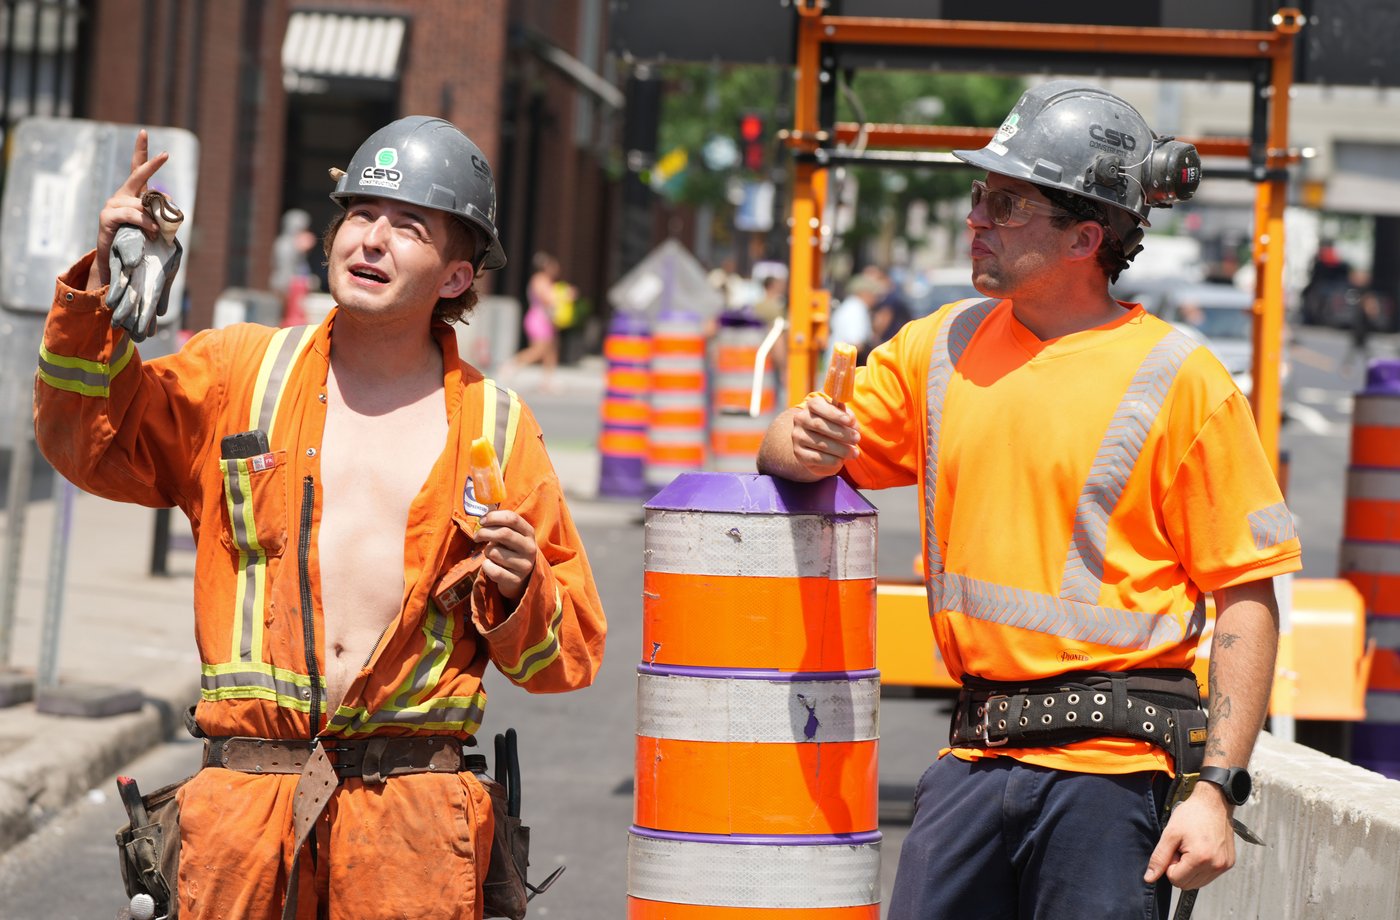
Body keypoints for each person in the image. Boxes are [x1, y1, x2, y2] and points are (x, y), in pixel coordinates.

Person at [34, 118, 607, 919]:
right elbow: (89, 443)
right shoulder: (240, 370)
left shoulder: (498, 432)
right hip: (243, 816)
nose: (371, 239)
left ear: (455, 276)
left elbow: (568, 656)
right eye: (360, 215)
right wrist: (100, 290)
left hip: (409, 831)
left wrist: (521, 592)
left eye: (406, 226)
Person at [757, 81, 1301, 920]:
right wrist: (794, 441)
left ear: (1087, 234)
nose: (978, 217)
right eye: (981, 195)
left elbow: (1246, 597)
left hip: (1112, 783)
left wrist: (1218, 790)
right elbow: (792, 447)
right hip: (975, 759)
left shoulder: (1181, 381)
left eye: (1007, 203)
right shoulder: (941, 347)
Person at [503, 251, 572, 391]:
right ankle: (511, 365)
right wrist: (564, 295)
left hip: (547, 320)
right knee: (538, 350)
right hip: (538, 319)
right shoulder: (539, 280)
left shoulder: (548, 281)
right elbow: (547, 299)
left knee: (551, 350)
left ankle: (548, 380)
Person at [825, 273, 877, 372]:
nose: (876, 298)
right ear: (865, 293)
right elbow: (855, 343)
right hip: (843, 370)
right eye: (874, 294)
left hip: (838, 367)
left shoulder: (851, 305)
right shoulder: (856, 309)